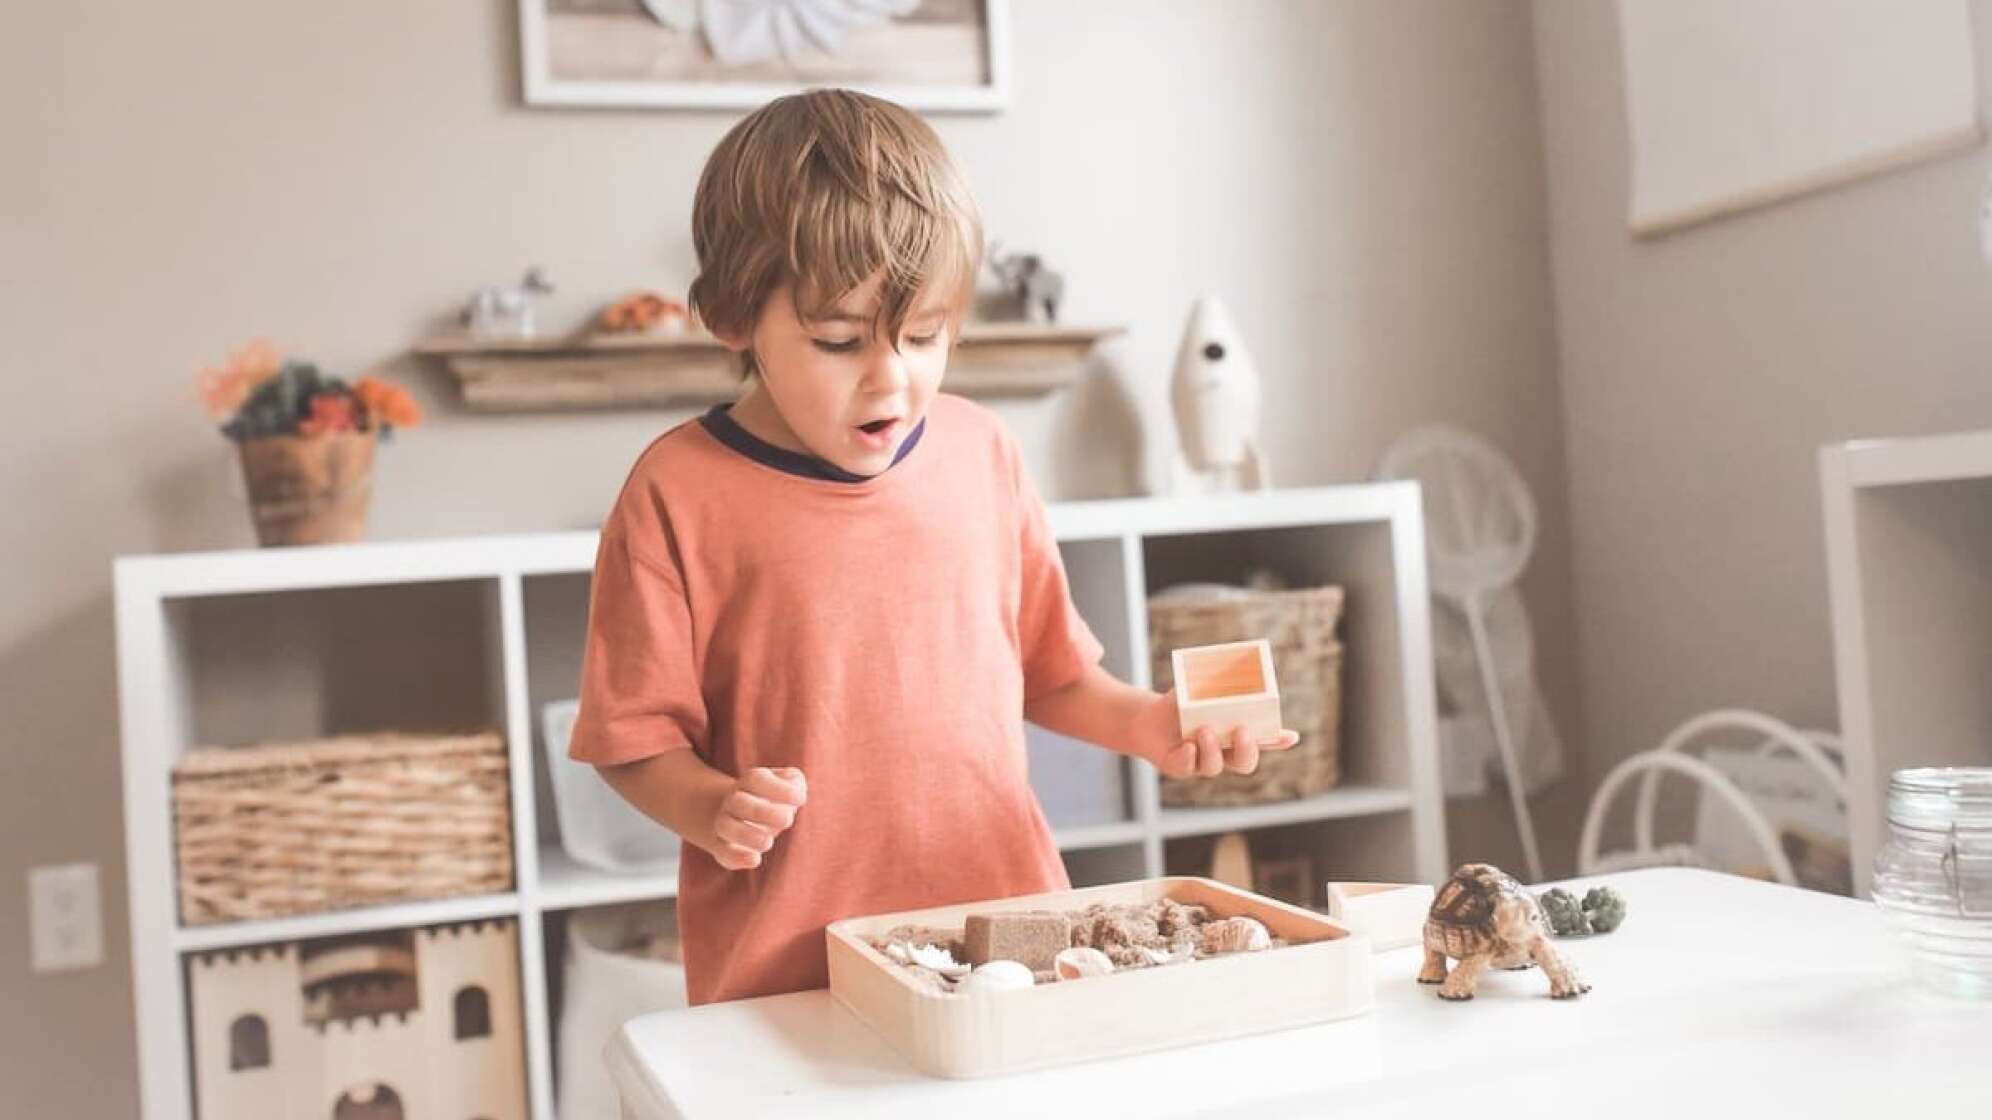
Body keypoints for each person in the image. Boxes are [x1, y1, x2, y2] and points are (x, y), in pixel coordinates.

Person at [569, 88, 1297, 1005]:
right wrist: (709, 808)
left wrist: (1151, 727)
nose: (892, 378)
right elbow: (630, 739)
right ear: (733, 318)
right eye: (838, 341)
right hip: (792, 969)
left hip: (1010, 939)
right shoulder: (674, 492)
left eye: (925, 336)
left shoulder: (982, 452)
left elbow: (1052, 673)